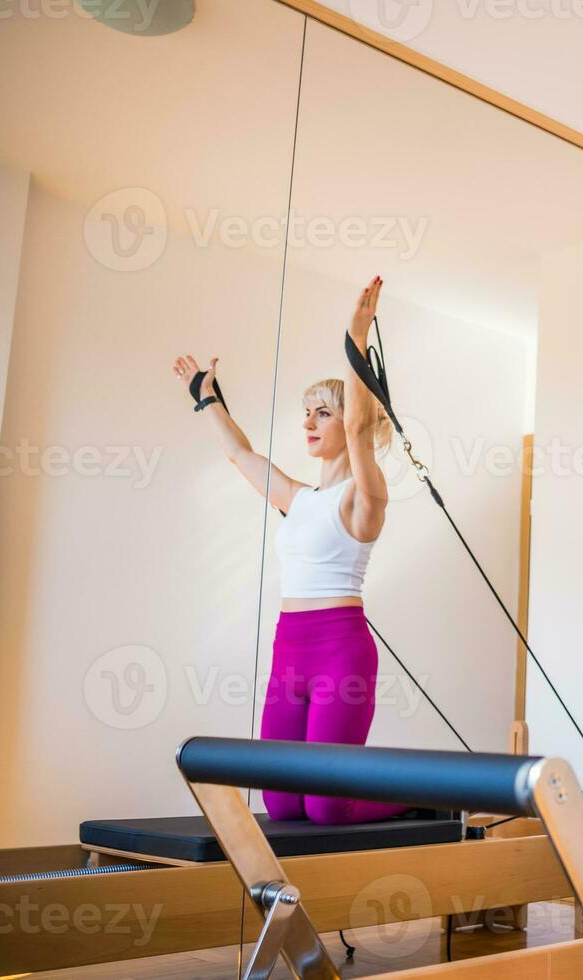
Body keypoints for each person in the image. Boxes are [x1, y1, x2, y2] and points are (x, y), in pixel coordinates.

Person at [172, 276, 411, 825]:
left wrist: (356, 333)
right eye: (307, 412)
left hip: (340, 654)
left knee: (326, 807)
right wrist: (205, 396)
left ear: (350, 425)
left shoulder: (363, 496)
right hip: (290, 653)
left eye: (321, 413)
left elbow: (358, 422)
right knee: (280, 804)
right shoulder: (299, 500)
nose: (308, 422)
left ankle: (424, 797)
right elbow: (239, 453)